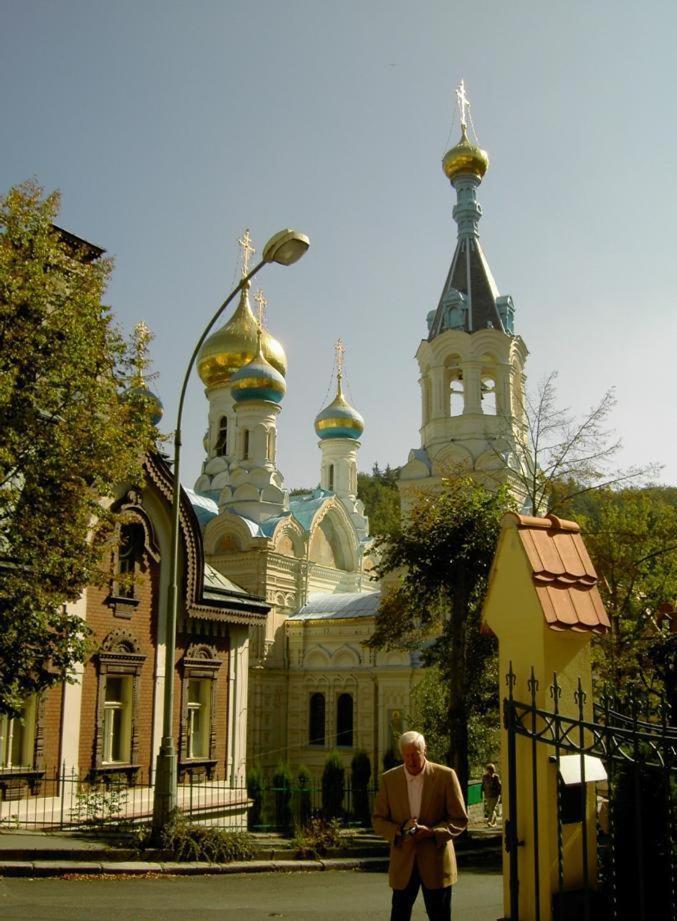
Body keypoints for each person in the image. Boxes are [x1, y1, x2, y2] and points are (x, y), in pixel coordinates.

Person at [372, 730, 468, 921]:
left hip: (436, 863)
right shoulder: (389, 780)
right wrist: (399, 830)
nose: (411, 761)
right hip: (403, 863)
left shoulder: (445, 776)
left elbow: (459, 819)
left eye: (416, 755)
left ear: (425, 751)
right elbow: (378, 820)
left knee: (440, 916)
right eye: (407, 756)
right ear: (402, 755)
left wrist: (433, 832)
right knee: (399, 915)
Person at [481, 763, 501, 827]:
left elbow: (499, 786)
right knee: (491, 809)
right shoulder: (484, 777)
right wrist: (481, 794)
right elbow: (483, 785)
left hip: (495, 795)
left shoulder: (496, 777)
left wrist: (500, 794)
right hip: (488, 795)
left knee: (492, 809)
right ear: (487, 770)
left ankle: (489, 821)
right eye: (489, 769)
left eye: (492, 769)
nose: (491, 771)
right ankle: (494, 823)